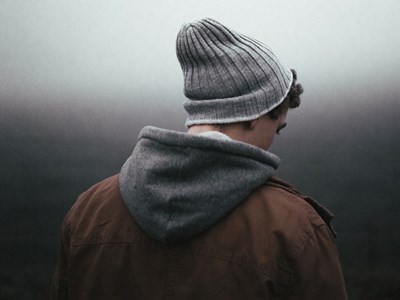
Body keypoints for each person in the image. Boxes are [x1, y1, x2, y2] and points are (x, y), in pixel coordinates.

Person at [52, 18, 348, 299]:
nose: (272, 145)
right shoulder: (295, 229)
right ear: (254, 115)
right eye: (278, 130)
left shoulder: (87, 212)